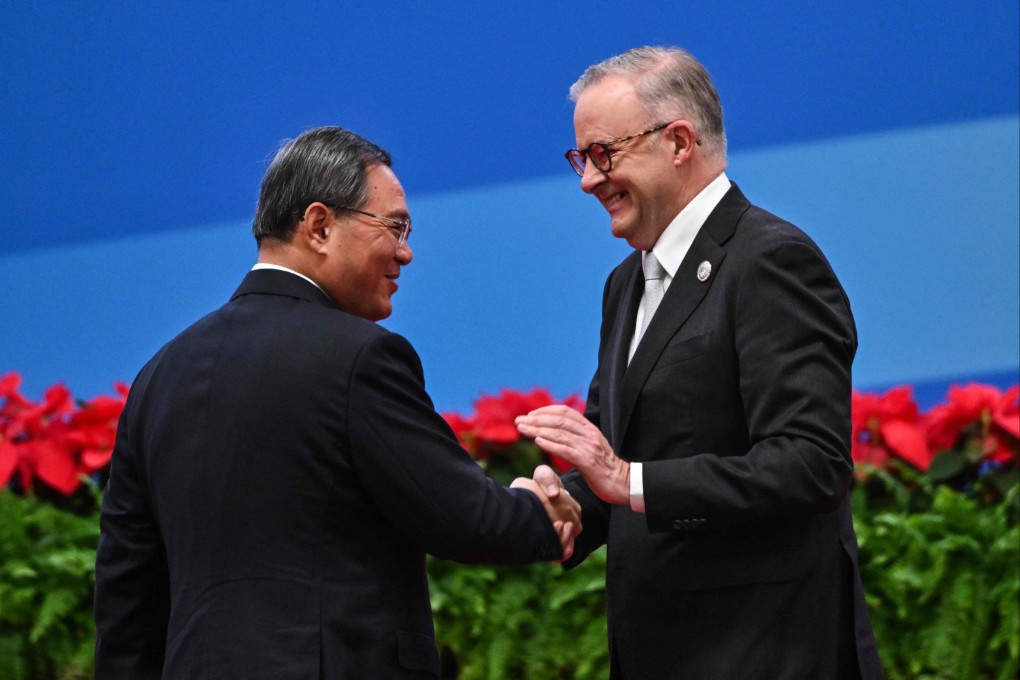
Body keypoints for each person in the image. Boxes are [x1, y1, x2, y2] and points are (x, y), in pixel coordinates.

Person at [93, 125, 580, 679]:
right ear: (320, 226)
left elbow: (125, 599)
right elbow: (467, 519)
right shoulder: (360, 358)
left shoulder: (159, 376)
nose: (406, 252)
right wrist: (543, 513)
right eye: (394, 227)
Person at [515, 46, 884, 679]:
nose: (587, 180)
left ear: (679, 141)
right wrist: (562, 506)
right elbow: (615, 460)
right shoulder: (625, 283)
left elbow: (810, 464)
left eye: (604, 154)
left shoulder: (770, 260)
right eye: (581, 159)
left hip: (765, 656)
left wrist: (626, 479)